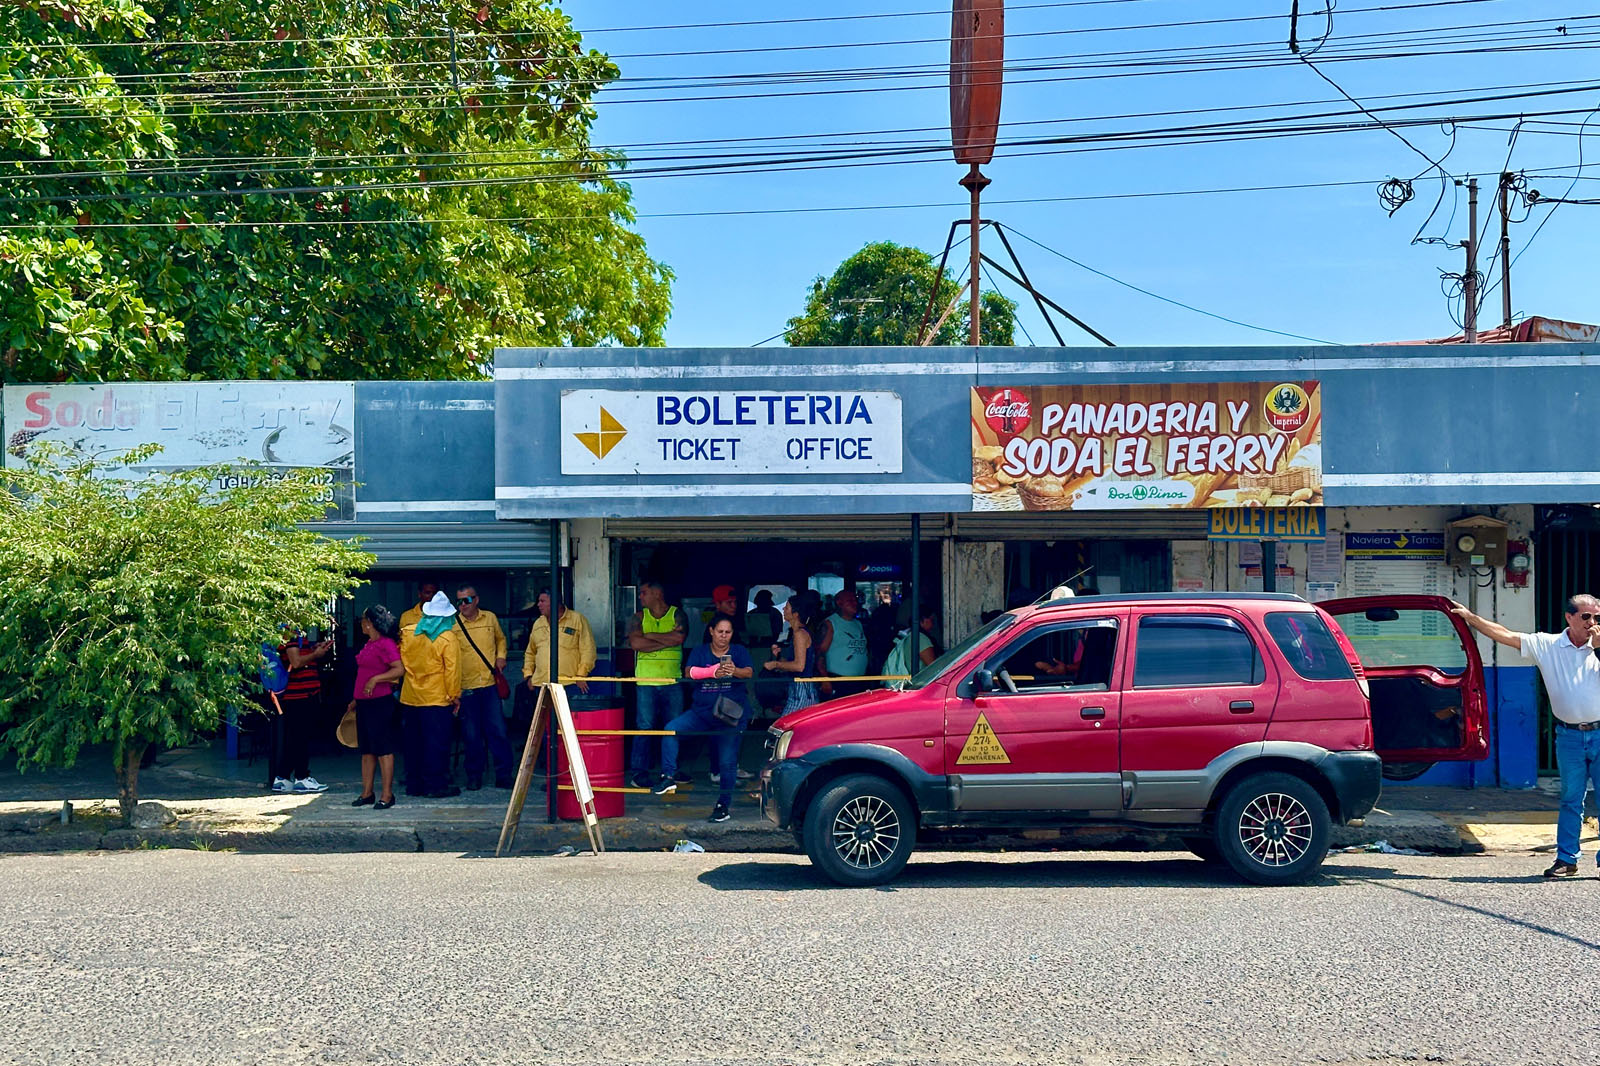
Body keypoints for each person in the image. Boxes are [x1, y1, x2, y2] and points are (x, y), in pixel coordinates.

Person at [1452, 595, 1600, 879]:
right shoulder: (1549, 645)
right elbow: (1505, 634)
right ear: (1569, 618)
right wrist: (1471, 618)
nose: (1592, 624)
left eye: (1597, 618)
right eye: (1586, 617)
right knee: (1571, 798)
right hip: (1569, 735)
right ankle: (1567, 859)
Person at [652, 616, 755, 823]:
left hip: (730, 717)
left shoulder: (739, 651)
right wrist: (712, 671)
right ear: (711, 631)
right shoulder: (700, 651)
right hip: (701, 712)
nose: (724, 636)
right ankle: (668, 777)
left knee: (727, 763)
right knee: (671, 730)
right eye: (720, 632)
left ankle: (723, 806)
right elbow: (689, 672)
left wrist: (733, 670)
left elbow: (749, 672)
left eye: (728, 632)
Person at [399, 591, 463, 798]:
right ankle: (436, 786)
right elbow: (452, 671)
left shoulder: (408, 632)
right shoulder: (448, 638)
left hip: (410, 696)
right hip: (437, 698)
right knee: (437, 744)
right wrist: (455, 696)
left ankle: (414, 785)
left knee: (413, 743)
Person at [626, 581, 688, 789]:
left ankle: (671, 770)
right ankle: (639, 773)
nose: (640, 597)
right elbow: (636, 644)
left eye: (644, 593)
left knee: (673, 728)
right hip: (645, 681)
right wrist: (665, 640)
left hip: (672, 680)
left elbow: (679, 638)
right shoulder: (639, 617)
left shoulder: (677, 613)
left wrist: (649, 637)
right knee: (644, 727)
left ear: (657, 594)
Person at [453, 585, 514, 791]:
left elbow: (500, 639)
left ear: (476, 600)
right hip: (466, 686)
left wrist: (501, 656)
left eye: (466, 600)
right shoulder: (453, 624)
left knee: (498, 731)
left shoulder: (490, 618)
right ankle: (474, 776)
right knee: (471, 734)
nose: (462, 605)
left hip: (488, 684)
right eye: (459, 601)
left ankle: (504, 775)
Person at [348, 606, 404, 810]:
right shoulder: (369, 643)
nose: (361, 623)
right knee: (367, 750)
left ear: (370, 622)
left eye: (364, 619)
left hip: (381, 702)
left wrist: (377, 679)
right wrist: (356, 699)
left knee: (383, 749)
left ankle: (387, 794)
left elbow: (399, 669)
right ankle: (367, 792)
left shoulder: (386, 644)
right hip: (364, 702)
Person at [271, 628, 332, 794]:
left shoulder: (294, 632)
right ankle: (302, 778)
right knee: (300, 737)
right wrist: (316, 655)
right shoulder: (290, 631)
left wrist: (313, 649)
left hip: (300, 693)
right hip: (299, 693)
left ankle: (282, 778)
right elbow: (296, 662)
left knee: (294, 737)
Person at [523, 589, 597, 693]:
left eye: (542, 601)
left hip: (569, 683)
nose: (539, 605)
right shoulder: (538, 623)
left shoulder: (577, 619)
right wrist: (528, 675)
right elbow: (530, 652)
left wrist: (581, 675)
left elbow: (588, 650)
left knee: (569, 710)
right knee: (544, 710)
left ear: (555, 602)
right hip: (541, 684)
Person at [762, 593, 821, 712]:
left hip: (801, 689)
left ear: (795, 614)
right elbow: (793, 663)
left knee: (784, 727)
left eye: (787, 607)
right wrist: (778, 657)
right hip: (800, 688)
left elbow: (799, 666)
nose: (783, 609)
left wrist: (776, 664)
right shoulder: (797, 633)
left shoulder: (799, 634)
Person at [818, 587, 870, 699]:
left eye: (855, 600)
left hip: (859, 681)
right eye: (850, 601)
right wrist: (824, 679)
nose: (854, 603)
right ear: (839, 603)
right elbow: (820, 653)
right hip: (839, 681)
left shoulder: (858, 624)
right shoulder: (830, 623)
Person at [864, 582, 900, 673]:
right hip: (880, 643)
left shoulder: (889, 612)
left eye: (887, 594)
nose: (886, 597)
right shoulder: (880, 613)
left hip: (886, 643)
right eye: (884, 594)